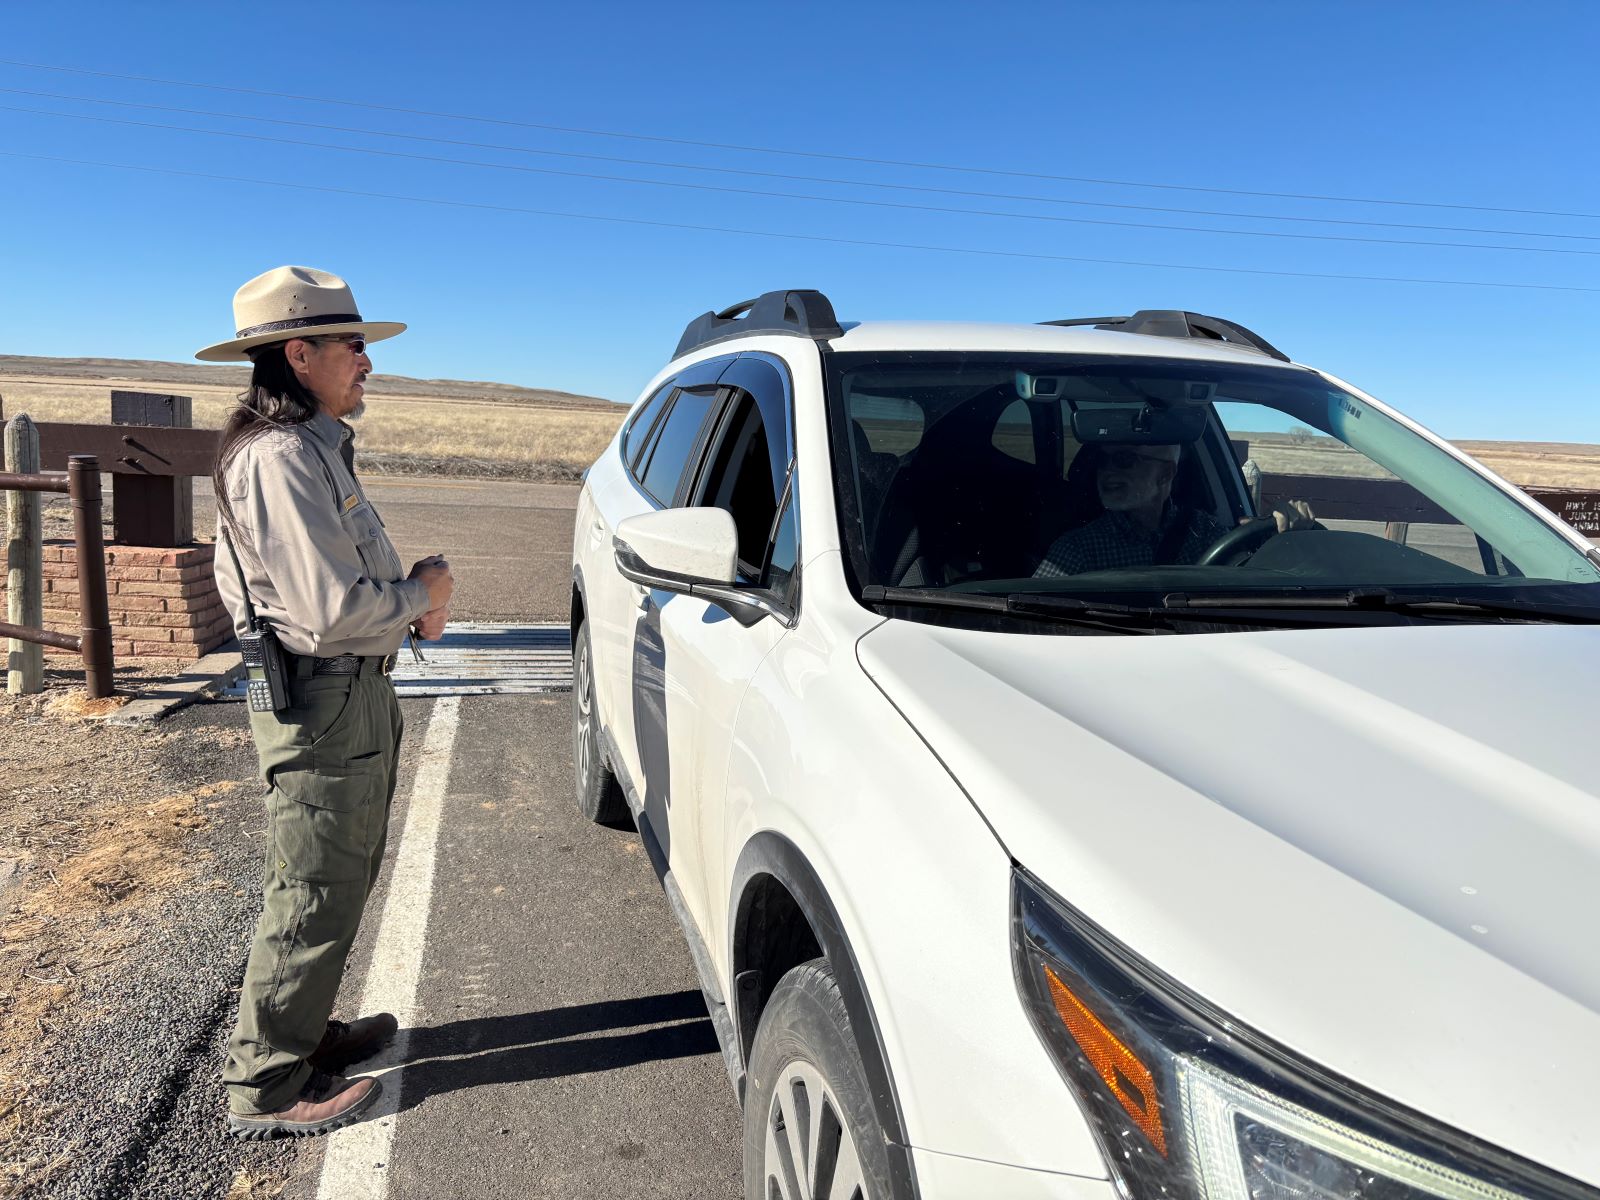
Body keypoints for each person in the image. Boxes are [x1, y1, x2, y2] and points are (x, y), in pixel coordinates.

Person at [201, 265, 455, 1137]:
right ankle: (267, 1083)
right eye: (354, 347)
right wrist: (423, 592)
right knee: (310, 887)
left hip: (351, 695)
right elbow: (329, 609)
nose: (367, 364)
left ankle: (305, 1036)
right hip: (322, 700)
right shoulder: (278, 458)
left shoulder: (311, 446)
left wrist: (409, 598)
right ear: (298, 354)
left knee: (339, 880)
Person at [1035, 442, 1315, 577]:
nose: (1107, 471)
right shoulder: (1077, 549)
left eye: (1123, 459)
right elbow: (1033, 617)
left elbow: (1257, 583)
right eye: (1102, 460)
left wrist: (1288, 535)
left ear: (1165, 474)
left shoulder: (1207, 532)